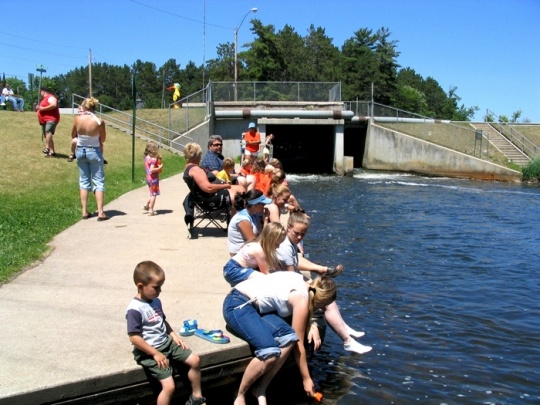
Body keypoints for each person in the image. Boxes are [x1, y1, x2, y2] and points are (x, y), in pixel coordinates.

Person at [223, 271, 337, 404]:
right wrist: (306, 378)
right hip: (237, 304)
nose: (322, 309)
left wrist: (312, 325)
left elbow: (295, 337)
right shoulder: (301, 300)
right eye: (323, 305)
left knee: (289, 338)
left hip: (257, 308)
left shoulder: (304, 282)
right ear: (320, 299)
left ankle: (260, 388)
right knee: (269, 352)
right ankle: (240, 394)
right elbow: (299, 346)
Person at [277, 212, 372, 355]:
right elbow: (291, 279)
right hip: (283, 288)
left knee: (325, 294)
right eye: (297, 233)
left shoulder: (290, 242)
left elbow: (296, 265)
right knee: (325, 297)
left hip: (286, 281)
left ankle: (345, 331)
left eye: (303, 234)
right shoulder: (285, 247)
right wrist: (310, 283)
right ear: (288, 227)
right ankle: (347, 340)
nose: (299, 237)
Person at [126, 261, 206, 405]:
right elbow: (134, 338)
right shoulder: (135, 309)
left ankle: (197, 397)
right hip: (150, 351)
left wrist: (173, 336)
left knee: (195, 360)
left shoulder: (155, 301)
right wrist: (155, 353)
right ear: (140, 286)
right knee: (169, 386)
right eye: (156, 288)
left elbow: (162, 321)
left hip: (166, 342)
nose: (160, 291)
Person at [71, 97, 108, 221]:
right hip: (94, 150)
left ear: (85, 107)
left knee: (84, 181)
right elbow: (102, 139)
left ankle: (84, 211)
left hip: (81, 150)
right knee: (98, 181)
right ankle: (101, 212)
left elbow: (73, 135)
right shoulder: (99, 121)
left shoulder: (77, 119)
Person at [183, 143, 244, 211]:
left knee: (241, 189)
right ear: (197, 156)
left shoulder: (189, 167)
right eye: (200, 154)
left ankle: (236, 217)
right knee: (241, 193)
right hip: (209, 199)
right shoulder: (195, 169)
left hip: (209, 195)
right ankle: (241, 218)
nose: (200, 157)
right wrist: (225, 186)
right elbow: (208, 188)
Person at [223, 221, 286, 287]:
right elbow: (265, 273)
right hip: (233, 270)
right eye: (276, 244)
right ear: (269, 239)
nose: (278, 247)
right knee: (262, 278)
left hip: (232, 268)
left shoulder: (257, 243)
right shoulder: (259, 250)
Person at [227, 190, 271, 256]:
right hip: (240, 254)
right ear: (255, 205)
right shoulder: (243, 219)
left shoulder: (254, 215)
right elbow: (253, 242)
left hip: (249, 250)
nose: (264, 206)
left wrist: (266, 219)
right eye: (263, 204)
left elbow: (261, 235)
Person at [36, 87, 60, 157]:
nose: (40, 94)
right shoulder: (44, 99)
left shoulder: (50, 97)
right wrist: (39, 107)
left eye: (41, 92)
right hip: (44, 120)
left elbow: (53, 105)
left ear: (44, 91)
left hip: (51, 118)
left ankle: (47, 147)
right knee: (47, 135)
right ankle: (52, 152)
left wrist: (43, 108)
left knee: (48, 131)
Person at [143, 141, 163, 216]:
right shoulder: (153, 159)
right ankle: (151, 210)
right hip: (153, 178)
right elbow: (151, 170)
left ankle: (146, 204)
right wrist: (159, 168)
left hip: (148, 178)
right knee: (154, 194)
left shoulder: (146, 158)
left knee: (151, 193)